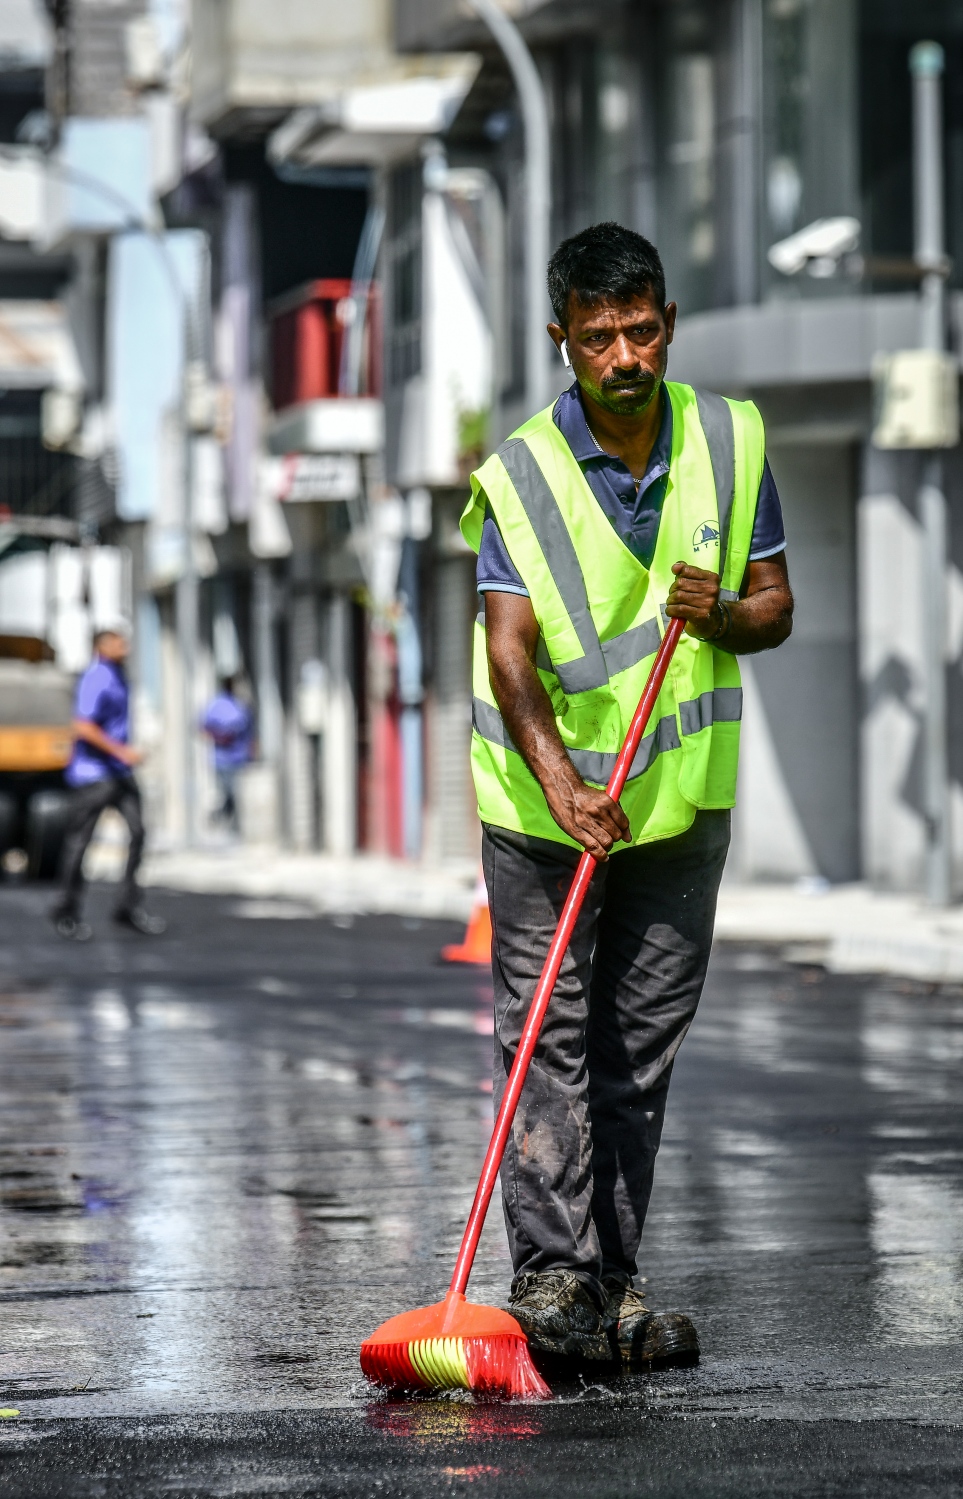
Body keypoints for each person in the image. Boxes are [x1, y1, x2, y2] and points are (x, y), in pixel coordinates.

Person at [462, 223, 793, 1368]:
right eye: (597, 336)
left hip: (679, 807)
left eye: (640, 330)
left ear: (667, 323)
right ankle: (551, 1276)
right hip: (543, 805)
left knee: (638, 1045)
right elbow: (510, 652)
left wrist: (721, 613)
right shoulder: (520, 474)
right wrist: (561, 784)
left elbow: (774, 609)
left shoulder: (730, 438)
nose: (622, 355)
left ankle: (612, 1282)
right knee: (546, 1035)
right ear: (561, 339)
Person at [51, 623, 166, 941]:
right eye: (118, 643)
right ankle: (66, 909)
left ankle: (127, 906)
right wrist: (121, 751)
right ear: (102, 646)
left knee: (139, 832)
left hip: (119, 773)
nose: (125, 649)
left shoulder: (119, 676)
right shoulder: (96, 678)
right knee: (80, 841)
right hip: (94, 775)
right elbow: (83, 726)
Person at [202, 676, 252, 832]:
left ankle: (236, 827)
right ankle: (223, 821)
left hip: (240, 757)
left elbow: (249, 730)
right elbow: (203, 728)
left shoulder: (240, 705)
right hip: (223, 759)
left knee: (239, 795)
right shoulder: (216, 705)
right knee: (229, 794)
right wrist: (220, 736)